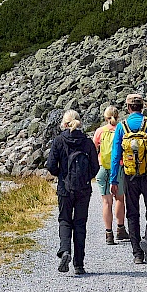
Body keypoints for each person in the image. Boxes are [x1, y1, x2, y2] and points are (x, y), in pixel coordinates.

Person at [110, 93, 147, 265]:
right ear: (142, 107)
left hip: (129, 176)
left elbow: (116, 155)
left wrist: (114, 180)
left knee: (132, 213)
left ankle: (137, 253)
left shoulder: (122, 127)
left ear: (128, 108)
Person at [46, 109, 100, 276]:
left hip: (64, 187)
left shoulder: (59, 141)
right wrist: (85, 178)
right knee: (80, 224)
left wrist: (62, 175)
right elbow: (95, 167)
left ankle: (65, 251)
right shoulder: (87, 142)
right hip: (83, 189)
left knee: (64, 220)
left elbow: (50, 165)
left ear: (64, 123)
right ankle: (79, 264)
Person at [92, 105, 128, 245]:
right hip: (118, 167)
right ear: (117, 116)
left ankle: (108, 233)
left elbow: (93, 148)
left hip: (103, 168)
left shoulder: (100, 131)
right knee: (119, 199)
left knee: (106, 202)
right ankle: (120, 229)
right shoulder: (122, 130)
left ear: (105, 117)